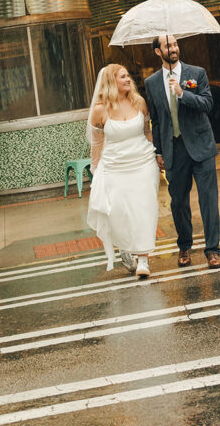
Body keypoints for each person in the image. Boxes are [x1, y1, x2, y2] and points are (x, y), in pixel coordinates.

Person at [145, 35, 220, 269]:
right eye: (168, 45)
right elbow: (156, 121)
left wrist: (181, 93)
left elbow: (208, 104)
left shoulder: (196, 73)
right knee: (178, 202)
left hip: (201, 146)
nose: (174, 48)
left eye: (176, 44)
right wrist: (158, 151)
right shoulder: (151, 83)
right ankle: (184, 247)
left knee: (208, 199)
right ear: (158, 52)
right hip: (174, 149)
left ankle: (213, 250)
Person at [86, 63, 160, 279]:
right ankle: (126, 248)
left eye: (128, 76)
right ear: (111, 82)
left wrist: (157, 156)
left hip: (143, 163)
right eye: (123, 77)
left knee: (144, 210)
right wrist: (95, 170)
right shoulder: (100, 110)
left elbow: (147, 132)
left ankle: (143, 259)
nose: (129, 80)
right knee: (119, 213)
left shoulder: (139, 102)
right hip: (115, 167)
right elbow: (97, 144)